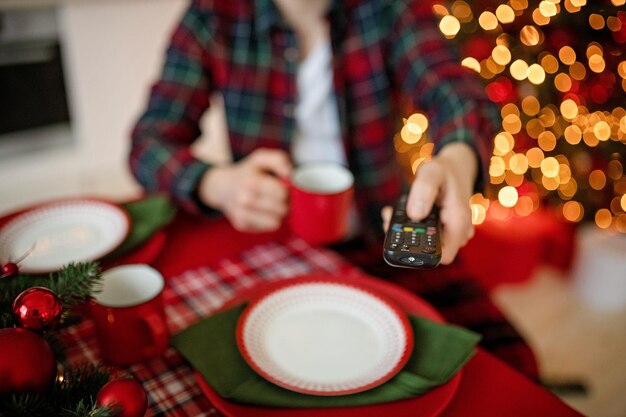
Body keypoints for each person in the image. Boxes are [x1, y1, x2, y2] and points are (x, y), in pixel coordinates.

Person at [129, 0, 538, 378]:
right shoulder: (213, 16)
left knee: (511, 365)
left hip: (383, 244)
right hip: (271, 252)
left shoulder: (390, 9)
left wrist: (457, 160)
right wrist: (217, 185)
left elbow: (456, 94)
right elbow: (148, 143)